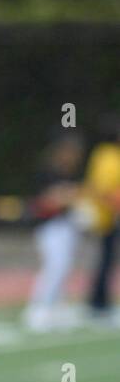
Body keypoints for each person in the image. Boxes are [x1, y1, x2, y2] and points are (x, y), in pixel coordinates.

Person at [83, 119, 120, 321]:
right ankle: (98, 303)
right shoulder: (108, 157)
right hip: (105, 218)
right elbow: (105, 190)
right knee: (105, 261)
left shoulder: (106, 156)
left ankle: (101, 301)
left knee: (107, 260)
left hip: (106, 217)